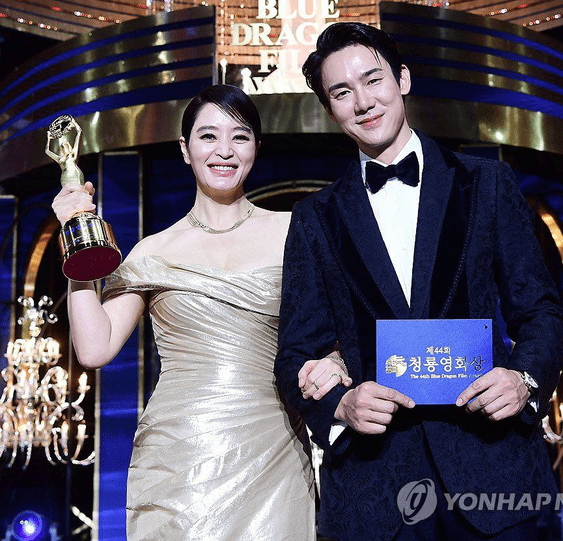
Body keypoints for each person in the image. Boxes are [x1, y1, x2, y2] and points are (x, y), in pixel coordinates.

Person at [274, 22, 563, 541]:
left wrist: (523, 381)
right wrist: (339, 405)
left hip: (494, 473)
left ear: (403, 79)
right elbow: (296, 353)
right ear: (328, 109)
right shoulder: (314, 218)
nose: (363, 101)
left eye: (373, 79)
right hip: (375, 489)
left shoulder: (487, 183)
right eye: (342, 92)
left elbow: (540, 310)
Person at [52, 85, 351, 541]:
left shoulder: (296, 231)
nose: (225, 151)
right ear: (185, 149)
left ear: (256, 145)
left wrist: (334, 361)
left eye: (241, 136)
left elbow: (339, 331)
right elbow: (94, 348)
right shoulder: (154, 250)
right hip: (179, 457)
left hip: (274, 448)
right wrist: (75, 246)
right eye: (208, 137)